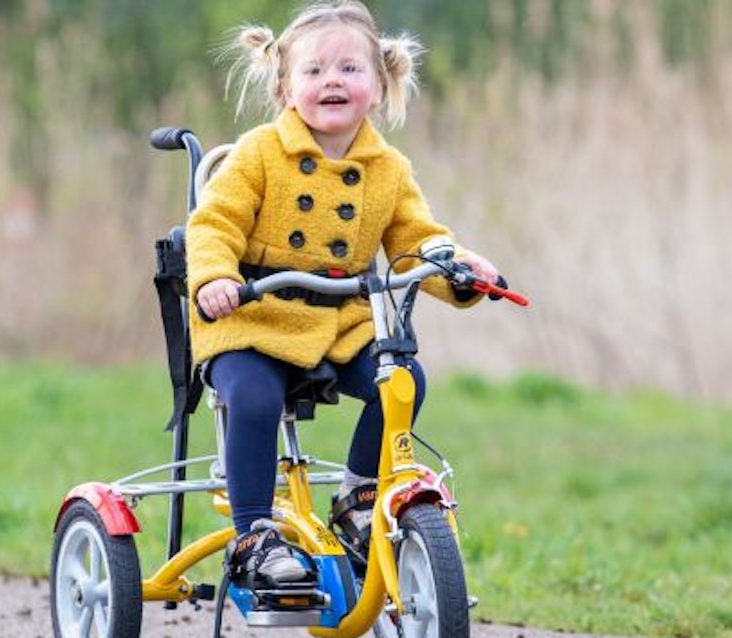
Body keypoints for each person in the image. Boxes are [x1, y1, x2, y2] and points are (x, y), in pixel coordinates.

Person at [187, 0, 499, 589]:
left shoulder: (388, 169)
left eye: (350, 69)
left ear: (380, 86)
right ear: (285, 87)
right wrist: (214, 279)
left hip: (340, 324)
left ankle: (359, 495)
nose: (332, 80)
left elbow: (417, 241)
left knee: (402, 381)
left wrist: (458, 268)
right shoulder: (258, 153)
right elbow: (214, 224)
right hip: (253, 317)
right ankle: (254, 535)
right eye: (314, 71)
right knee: (251, 399)